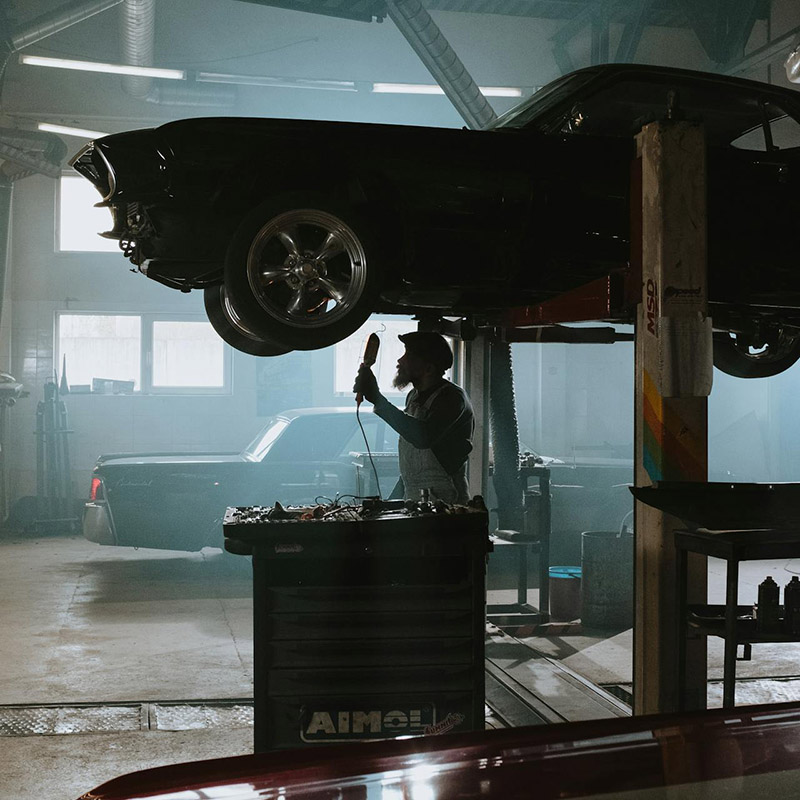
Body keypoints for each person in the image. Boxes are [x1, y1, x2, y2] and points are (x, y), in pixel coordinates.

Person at [354, 331, 474, 504]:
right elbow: (412, 475)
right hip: (416, 502)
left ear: (429, 368)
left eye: (408, 355)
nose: (400, 360)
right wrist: (389, 506)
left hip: (447, 504)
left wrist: (378, 400)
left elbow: (423, 437)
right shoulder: (413, 397)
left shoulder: (452, 398)